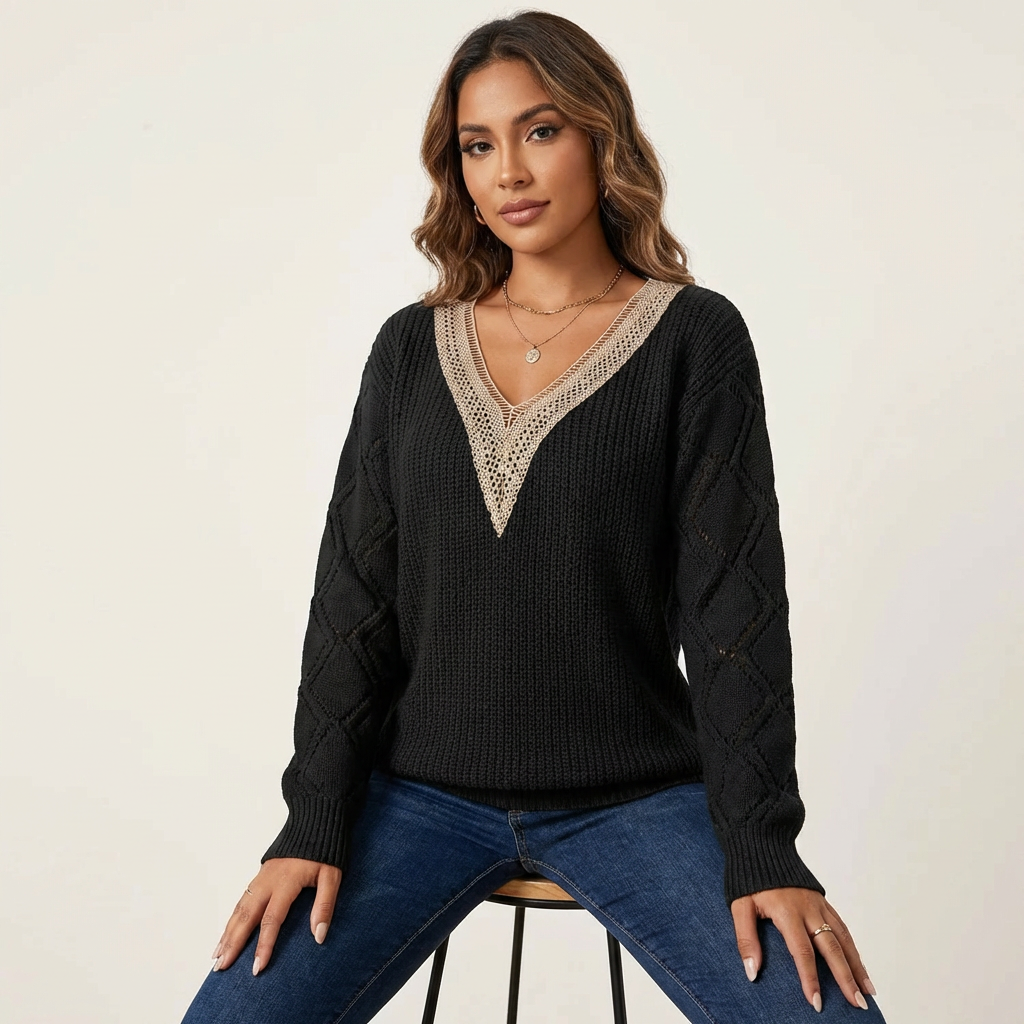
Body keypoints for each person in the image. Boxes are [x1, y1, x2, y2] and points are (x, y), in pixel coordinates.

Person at [181, 12, 886, 1023]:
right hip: (416, 800)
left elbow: (733, 616)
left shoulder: (694, 338)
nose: (508, 170)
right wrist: (312, 822)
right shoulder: (409, 350)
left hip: (634, 800)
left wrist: (763, 846)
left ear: (602, 136)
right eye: (478, 145)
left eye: (540, 131)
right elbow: (353, 605)